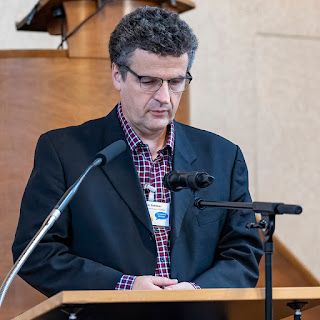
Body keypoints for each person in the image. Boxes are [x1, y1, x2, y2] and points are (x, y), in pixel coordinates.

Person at [12, 7, 263, 296]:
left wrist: (196, 291)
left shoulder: (224, 157)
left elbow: (243, 252)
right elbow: (34, 253)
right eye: (149, 81)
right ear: (118, 75)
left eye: (176, 82)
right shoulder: (63, 152)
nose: (164, 97)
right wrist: (124, 286)